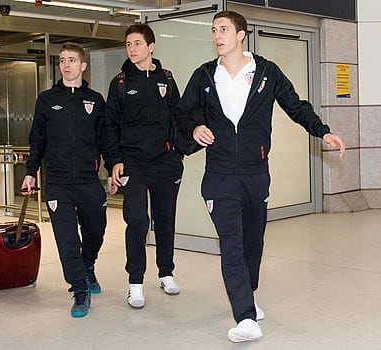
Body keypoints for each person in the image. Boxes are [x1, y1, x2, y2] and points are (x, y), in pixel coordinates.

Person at [175, 11, 346, 343]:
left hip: (256, 174)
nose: (217, 35)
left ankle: (247, 295)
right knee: (232, 246)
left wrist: (323, 132)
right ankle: (245, 316)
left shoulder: (266, 72)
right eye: (213, 30)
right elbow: (181, 112)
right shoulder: (205, 75)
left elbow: (296, 106)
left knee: (253, 242)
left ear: (241, 35)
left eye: (223, 29)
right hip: (220, 175)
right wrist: (194, 128)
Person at [22, 43, 111, 318]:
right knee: (66, 238)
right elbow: (37, 139)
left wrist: (115, 167)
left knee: (97, 228)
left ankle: (88, 263)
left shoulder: (95, 100)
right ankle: (79, 289)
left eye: (72, 60)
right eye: (62, 61)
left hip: (88, 180)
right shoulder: (47, 99)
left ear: (83, 66)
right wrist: (29, 171)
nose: (66, 65)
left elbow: (106, 139)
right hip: (58, 182)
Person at [105, 24, 184, 309]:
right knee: (138, 220)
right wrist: (114, 161)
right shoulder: (121, 82)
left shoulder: (167, 79)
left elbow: (179, 117)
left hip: (165, 162)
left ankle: (166, 273)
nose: (132, 48)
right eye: (128, 44)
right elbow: (109, 126)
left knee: (165, 221)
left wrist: (179, 153)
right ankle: (135, 282)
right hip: (133, 164)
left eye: (137, 43)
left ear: (151, 47)